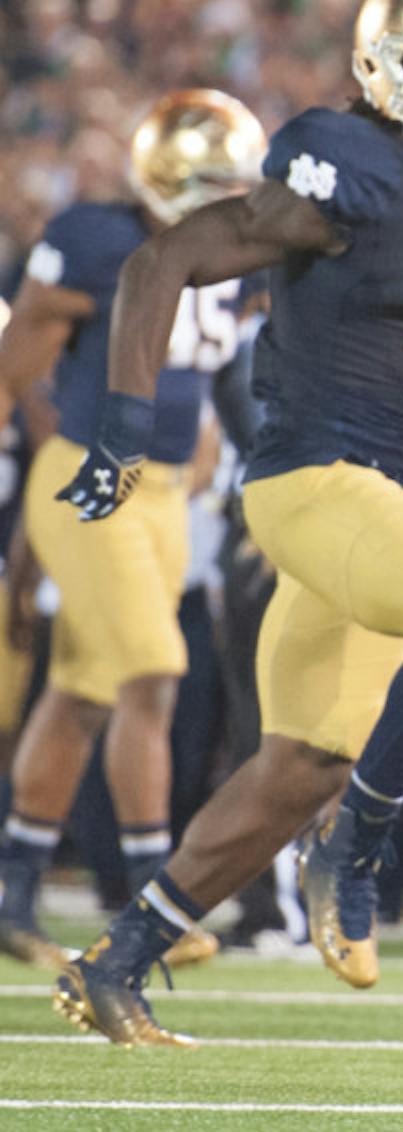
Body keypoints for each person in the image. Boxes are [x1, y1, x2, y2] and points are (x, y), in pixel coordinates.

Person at [49, 0, 403, 1047]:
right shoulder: (347, 164)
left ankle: (119, 960)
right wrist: (122, 422)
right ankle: (360, 847)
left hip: (376, 495)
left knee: (303, 761)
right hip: (305, 478)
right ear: (387, 71)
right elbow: (166, 262)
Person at [0, 90, 263, 971]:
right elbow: (17, 365)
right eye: (220, 180)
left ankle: (14, 890)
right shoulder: (97, 238)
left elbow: (222, 379)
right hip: (88, 479)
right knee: (155, 674)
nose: (237, 197)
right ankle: (156, 902)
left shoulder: (232, 256)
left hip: (166, 498)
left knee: (83, 690)